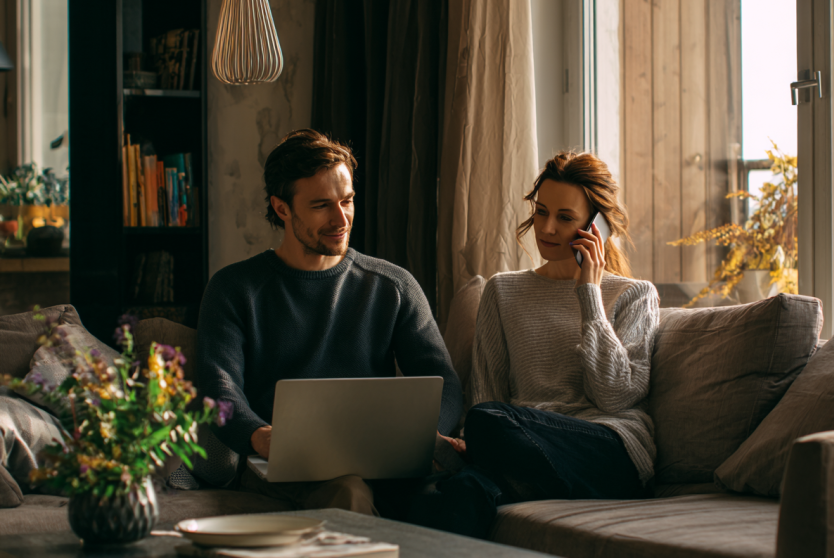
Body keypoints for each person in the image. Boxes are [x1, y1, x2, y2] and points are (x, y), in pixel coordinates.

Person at [195, 129, 462, 517]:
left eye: (347, 200)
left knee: (460, 494)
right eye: (321, 205)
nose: (341, 219)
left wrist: (425, 436)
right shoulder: (234, 288)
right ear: (282, 208)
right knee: (349, 492)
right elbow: (218, 388)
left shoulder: (393, 285)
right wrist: (260, 435)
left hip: (383, 459)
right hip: (285, 467)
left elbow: (444, 381)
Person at [408, 152, 659, 538]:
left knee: (487, 423)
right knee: (464, 488)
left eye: (565, 218)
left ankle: (483, 462)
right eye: (541, 212)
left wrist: (589, 294)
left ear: (596, 227)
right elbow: (487, 393)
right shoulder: (502, 291)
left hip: (609, 451)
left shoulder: (635, 294)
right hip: (522, 449)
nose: (547, 228)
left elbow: (616, 396)